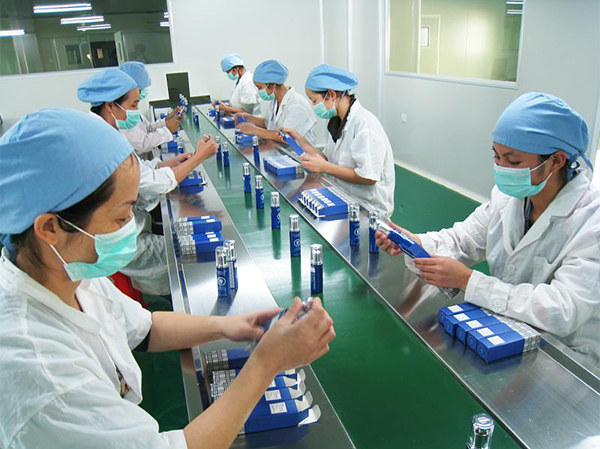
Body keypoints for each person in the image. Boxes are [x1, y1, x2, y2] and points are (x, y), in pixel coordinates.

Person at [0, 108, 335, 448]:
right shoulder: (41, 373)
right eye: (120, 218)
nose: (129, 227)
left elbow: (145, 328)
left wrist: (229, 326)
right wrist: (266, 364)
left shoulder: (66, 272)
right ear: (50, 228)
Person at [376, 92, 600, 365]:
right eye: (497, 157)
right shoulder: (507, 198)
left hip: (566, 360)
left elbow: (562, 309)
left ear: (556, 161)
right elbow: (462, 240)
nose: (502, 168)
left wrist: (468, 280)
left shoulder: (592, 221)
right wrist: (416, 244)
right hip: (506, 335)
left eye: (513, 161)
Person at [78, 68, 218, 295]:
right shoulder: (104, 142)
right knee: (191, 256)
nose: (136, 110)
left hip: (128, 226)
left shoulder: (106, 132)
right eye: (133, 105)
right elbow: (156, 183)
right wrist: (199, 156)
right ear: (111, 106)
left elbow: (136, 170)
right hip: (123, 241)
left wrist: (166, 164)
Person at [282, 63, 395, 218]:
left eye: (314, 101)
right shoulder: (338, 122)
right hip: (345, 201)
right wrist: (299, 139)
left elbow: (368, 177)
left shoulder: (365, 126)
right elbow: (326, 158)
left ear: (331, 94)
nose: (314, 106)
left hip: (369, 211)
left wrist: (325, 167)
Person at [235, 59, 317, 145]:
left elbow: (285, 136)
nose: (259, 91)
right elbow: (267, 123)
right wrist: (248, 117)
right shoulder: (275, 101)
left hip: (299, 153)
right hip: (280, 150)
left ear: (272, 85)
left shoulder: (297, 105)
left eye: (260, 87)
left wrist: (254, 130)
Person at [119, 61, 183, 155]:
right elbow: (143, 143)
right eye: (142, 88)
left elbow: (146, 128)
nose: (144, 90)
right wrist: (167, 130)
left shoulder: (131, 108)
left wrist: (165, 122)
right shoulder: (121, 115)